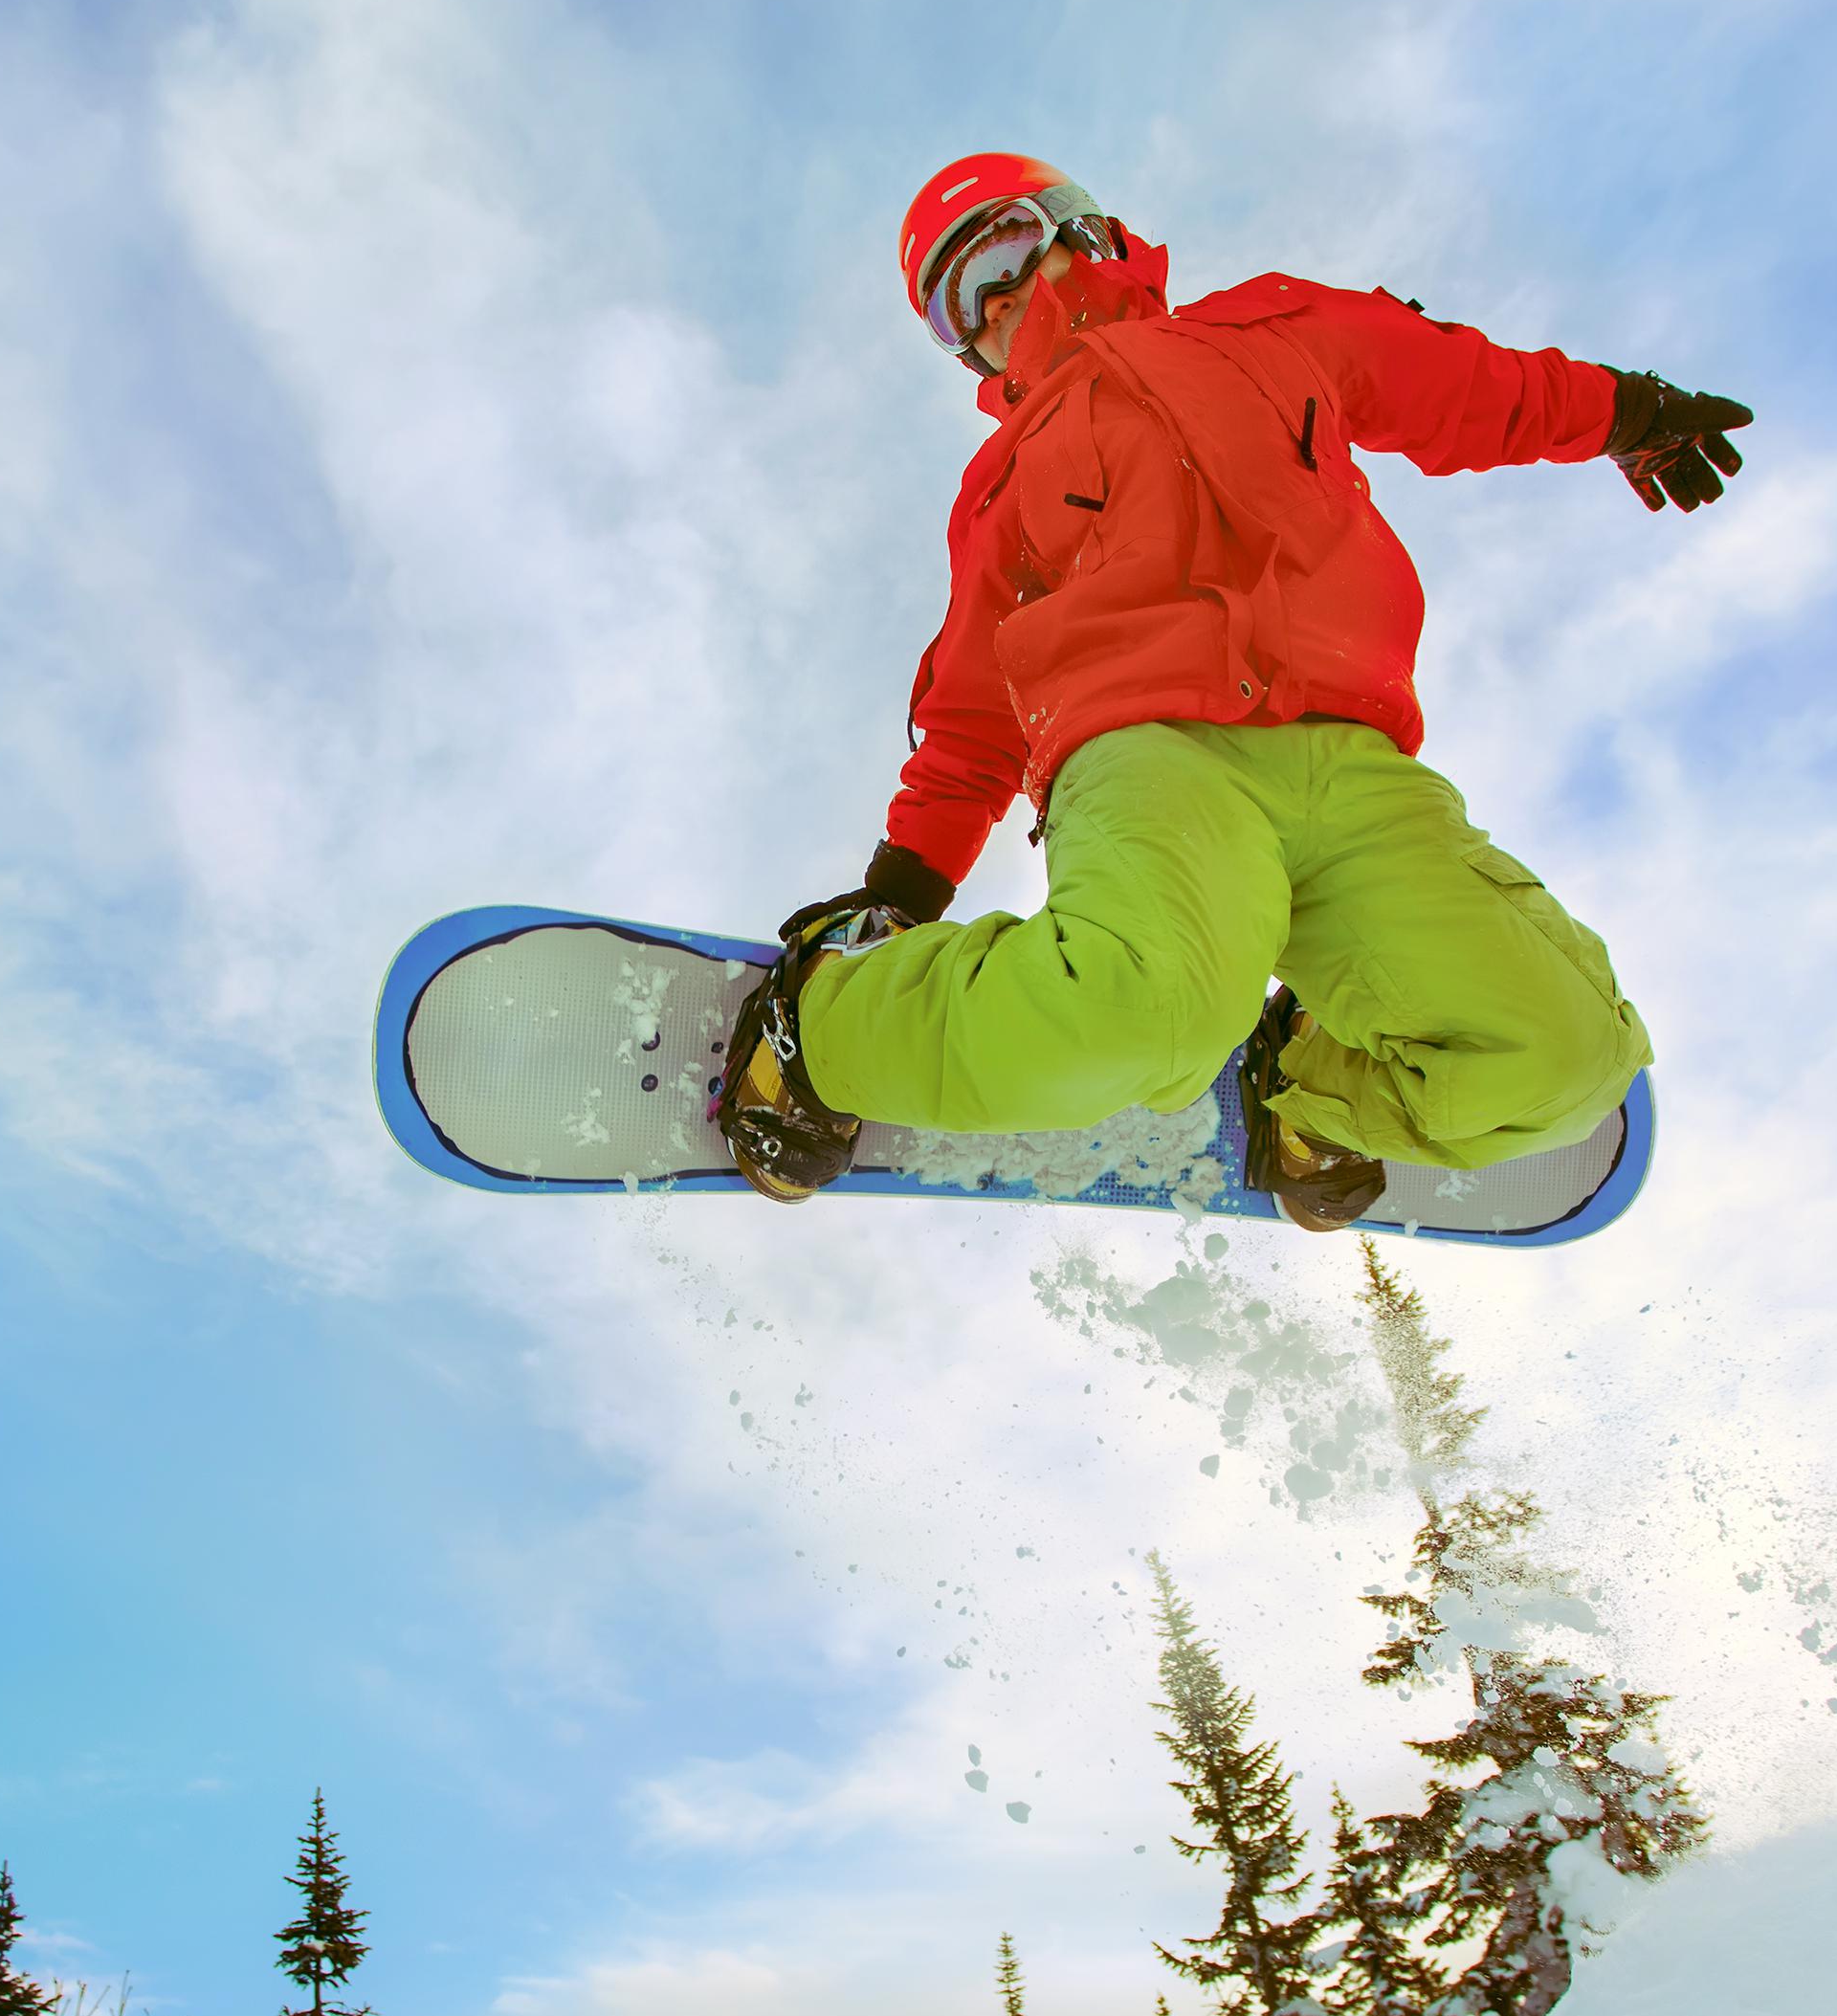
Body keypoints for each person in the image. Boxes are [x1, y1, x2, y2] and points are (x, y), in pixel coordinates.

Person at [714, 152, 1747, 1229]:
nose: (993, 304)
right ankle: (824, 1026)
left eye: (997, 251)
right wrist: (902, 890)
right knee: (1142, 1013)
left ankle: (1309, 1083)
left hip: (1351, 767)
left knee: (1563, 1055)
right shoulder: (1002, 479)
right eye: (954, 308)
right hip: (1152, 756)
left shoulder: (1269, 328)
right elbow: (974, 716)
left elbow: (1460, 384)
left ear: (1080, 227)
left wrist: (1631, 413)